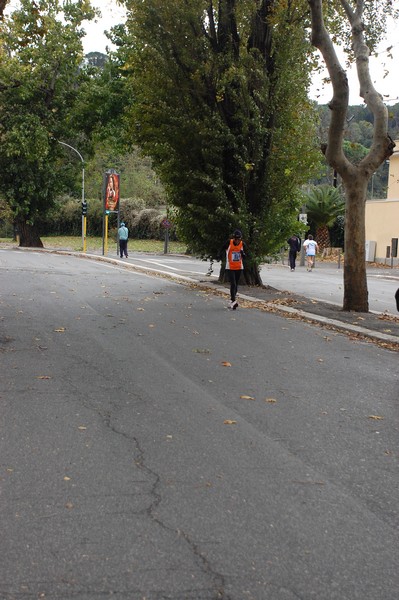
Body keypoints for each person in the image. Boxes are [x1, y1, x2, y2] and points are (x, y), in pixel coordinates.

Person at [221, 229, 248, 310]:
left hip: (239, 267)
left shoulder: (243, 244)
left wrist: (243, 254)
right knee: (233, 284)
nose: (237, 241)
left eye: (238, 239)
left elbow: (247, 255)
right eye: (236, 239)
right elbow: (222, 249)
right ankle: (233, 301)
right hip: (230, 267)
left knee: (236, 284)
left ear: (240, 239)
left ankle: (232, 300)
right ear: (233, 238)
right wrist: (220, 256)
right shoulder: (229, 242)